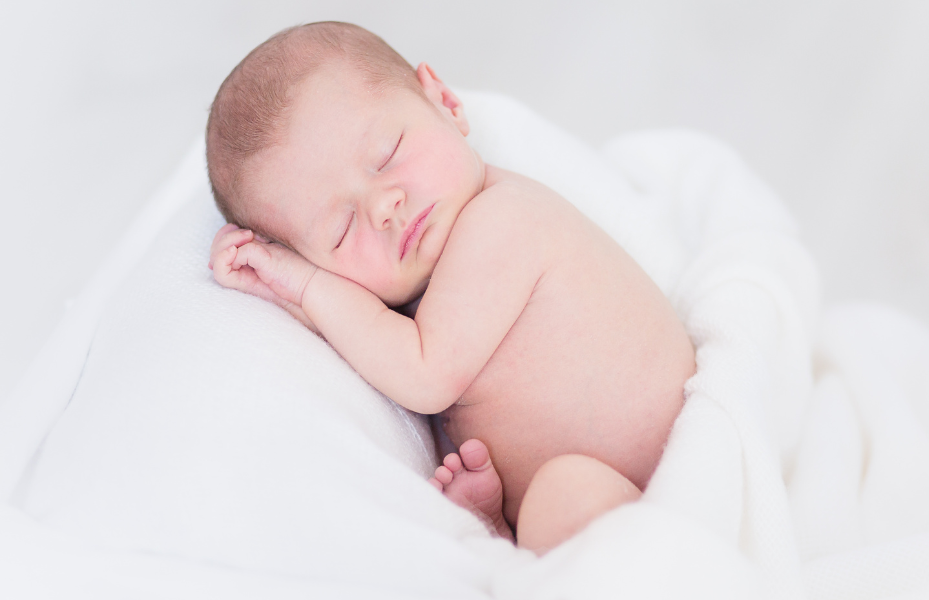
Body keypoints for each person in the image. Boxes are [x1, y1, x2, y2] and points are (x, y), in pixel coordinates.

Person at [206, 21, 695, 554]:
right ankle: (505, 534)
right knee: (554, 500)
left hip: (668, 477)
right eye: (342, 229)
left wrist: (303, 286)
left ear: (444, 101)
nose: (383, 205)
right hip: (604, 488)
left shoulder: (501, 222)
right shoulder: (412, 295)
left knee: (566, 497)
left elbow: (424, 373)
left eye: (388, 153)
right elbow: (369, 333)